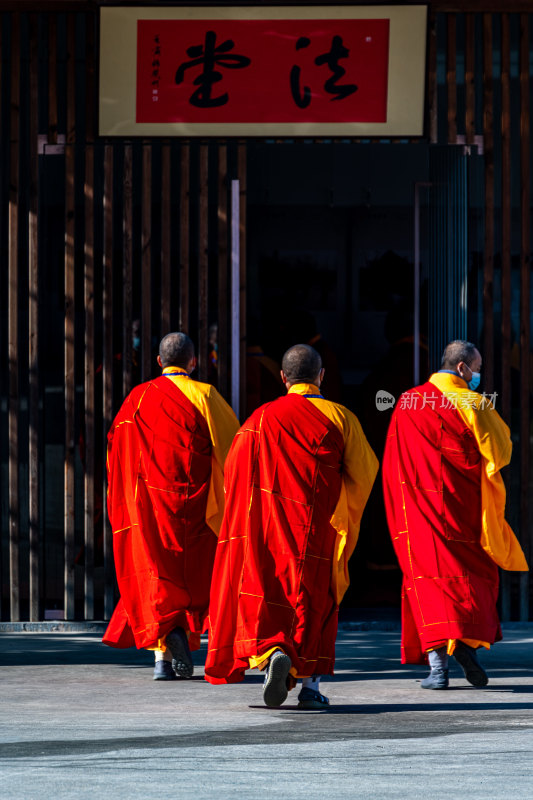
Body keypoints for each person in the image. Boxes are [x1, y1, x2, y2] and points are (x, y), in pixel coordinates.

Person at [204, 344, 378, 708]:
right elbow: (365, 473)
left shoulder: (259, 419)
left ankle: (272, 653)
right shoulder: (339, 417)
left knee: (268, 595)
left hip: (266, 529)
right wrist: (344, 511)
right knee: (314, 600)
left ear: (282, 378)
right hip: (316, 529)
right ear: (322, 376)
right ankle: (310, 689)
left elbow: (233, 476)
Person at [382, 339, 528, 689]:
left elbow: (393, 463)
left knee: (425, 579)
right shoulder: (474, 403)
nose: (478, 375)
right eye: (476, 368)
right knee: (471, 577)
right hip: (464, 512)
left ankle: (437, 669)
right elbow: (502, 450)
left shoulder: (407, 402)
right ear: (462, 368)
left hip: (419, 510)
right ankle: (465, 645)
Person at [102, 332, 240, 680]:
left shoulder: (136, 399)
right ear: (194, 362)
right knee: (197, 581)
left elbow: (117, 451)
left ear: (159, 362)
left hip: (150, 508)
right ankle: (192, 640)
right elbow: (234, 452)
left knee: (157, 579)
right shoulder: (206, 396)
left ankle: (161, 660)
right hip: (196, 510)